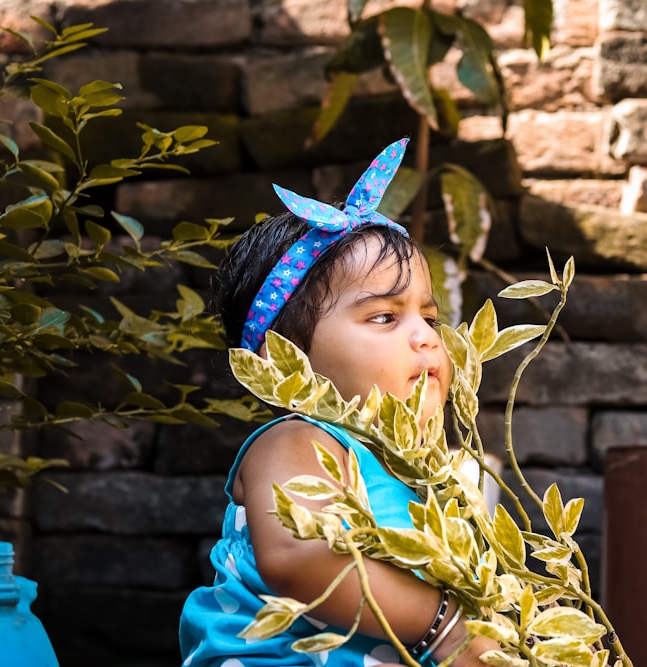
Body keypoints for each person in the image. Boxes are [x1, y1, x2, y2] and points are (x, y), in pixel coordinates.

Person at [179, 138, 497, 667]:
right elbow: (297, 556)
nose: (425, 337)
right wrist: (444, 629)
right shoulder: (297, 442)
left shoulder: (422, 473)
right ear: (288, 358)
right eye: (384, 317)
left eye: (430, 318)